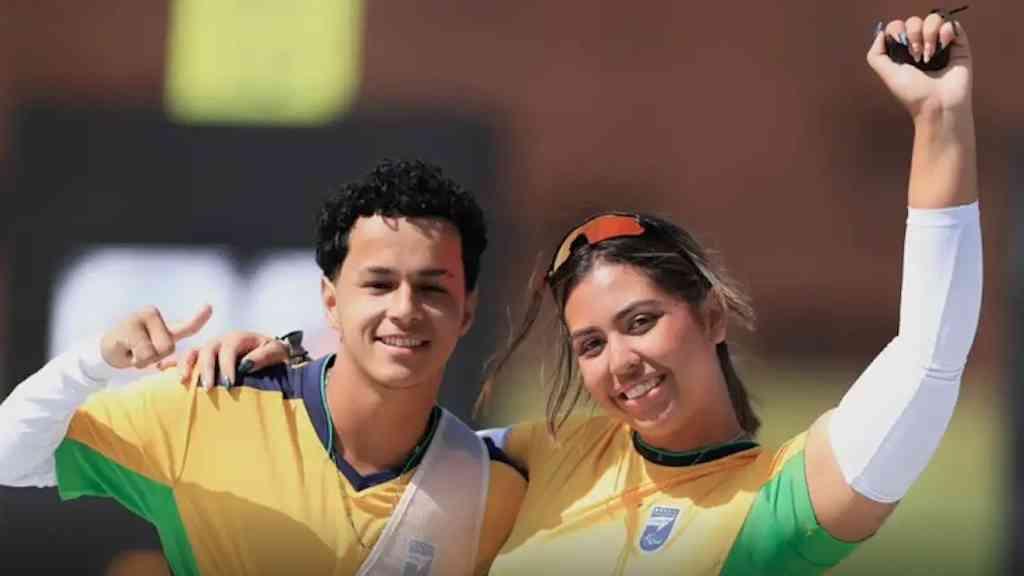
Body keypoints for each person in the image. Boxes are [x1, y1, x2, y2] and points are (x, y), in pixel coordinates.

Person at [197, 13, 982, 574]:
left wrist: (939, 119)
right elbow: (378, 446)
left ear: (709, 313)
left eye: (641, 321)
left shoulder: (775, 508)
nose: (621, 362)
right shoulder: (548, 456)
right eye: (592, 344)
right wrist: (293, 368)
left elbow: (927, 362)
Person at [0, 160, 527, 575]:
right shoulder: (207, 407)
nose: (405, 308)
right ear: (329, 300)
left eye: (432, 287)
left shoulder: (495, 491)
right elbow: (10, 458)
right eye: (378, 284)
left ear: (468, 311)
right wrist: (94, 360)